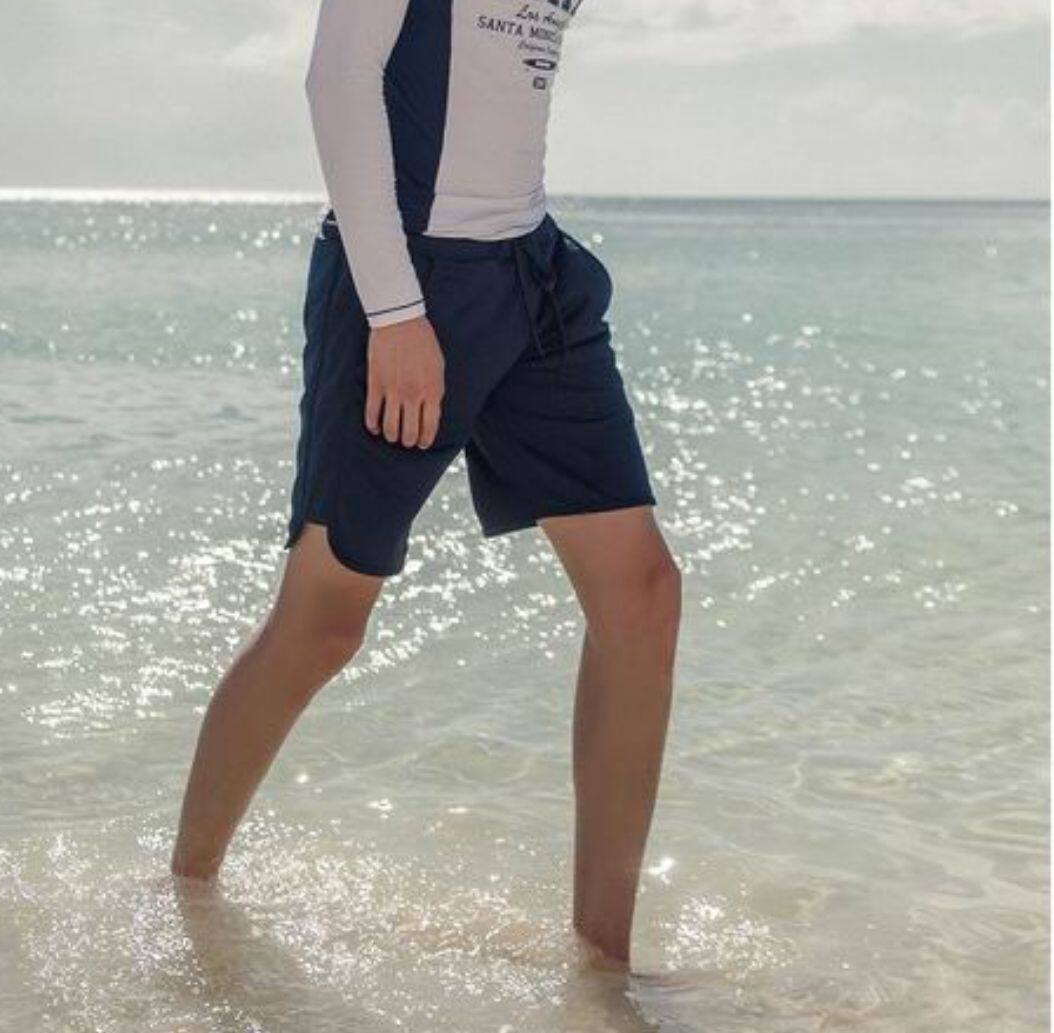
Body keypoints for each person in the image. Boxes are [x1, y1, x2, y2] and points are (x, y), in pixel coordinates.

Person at [172, 0, 680, 968]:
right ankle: (188, 895)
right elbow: (337, 78)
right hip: (406, 282)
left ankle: (604, 968)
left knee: (643, 595)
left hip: (534, 278)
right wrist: (396, 314)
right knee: (325, 618)